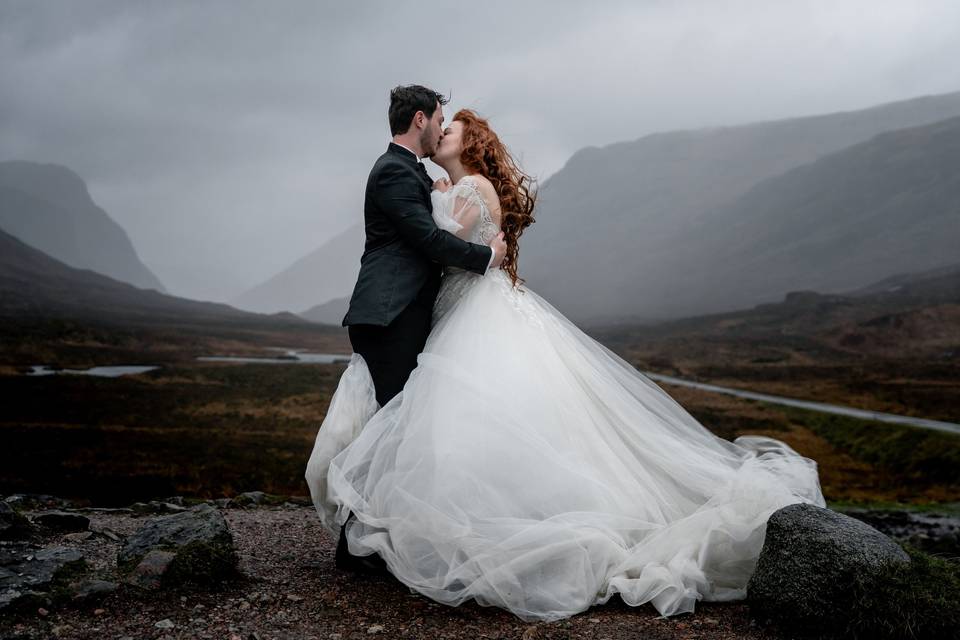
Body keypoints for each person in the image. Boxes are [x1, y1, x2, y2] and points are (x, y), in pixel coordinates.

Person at [305, 106, 826, 622]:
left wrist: (442, 211)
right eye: (441, 125)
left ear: (469, 142)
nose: (442, 133)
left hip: (470, 311)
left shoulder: (471, 190)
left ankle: (476, 527)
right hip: (461, 307)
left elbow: (438, 247)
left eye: (451, 129)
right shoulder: (458, 189)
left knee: (465, 419)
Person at [331, 85, 508, 572]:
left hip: (404, 313)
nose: (440, 129)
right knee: (393, 427)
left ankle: (370, 543)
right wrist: (488, 257)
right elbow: (430, 241)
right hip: (390, 315)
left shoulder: (413, 173)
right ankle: (360, 547)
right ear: (419, 120)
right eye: (439, 120)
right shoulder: (392, 170)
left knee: (397, 426)